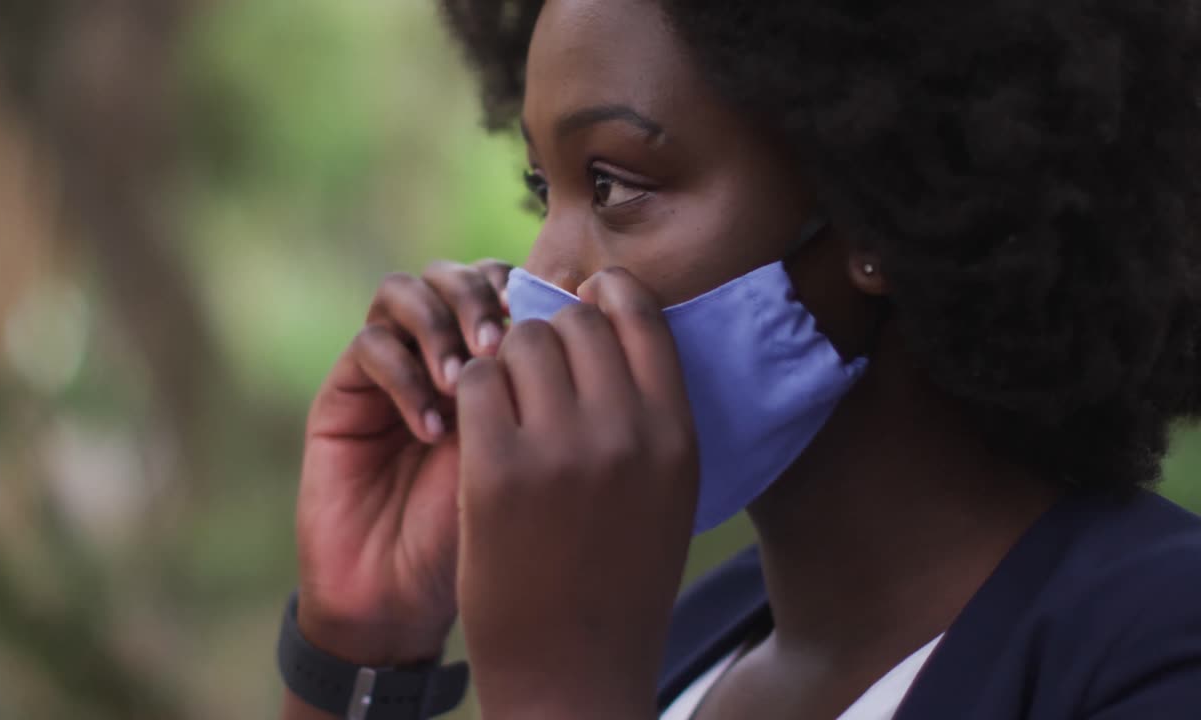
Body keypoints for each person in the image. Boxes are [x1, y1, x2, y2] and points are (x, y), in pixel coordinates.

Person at [276, 0, 1201, 718]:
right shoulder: (698, 639)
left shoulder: (1160, 650)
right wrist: (363, 643)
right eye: (541, 189)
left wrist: (560, 697)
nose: (536, 289)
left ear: (878, 197)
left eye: (613, 184)